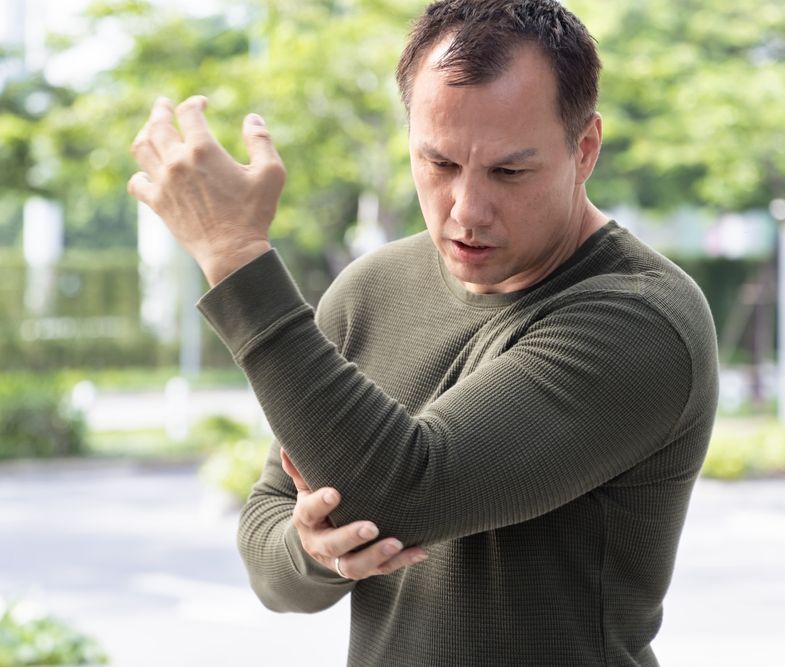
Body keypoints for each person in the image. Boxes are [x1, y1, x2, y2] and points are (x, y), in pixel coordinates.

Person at [127, 0, 719, 664]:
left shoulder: (641, 319)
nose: (466, 210)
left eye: (508, 171)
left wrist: (235, 258)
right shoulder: (372, 288)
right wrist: (316, 551)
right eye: (438, 164)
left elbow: (409, 486)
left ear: (584, 149)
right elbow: (270, 553)